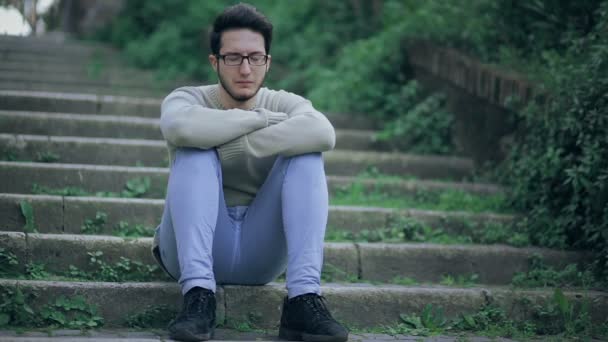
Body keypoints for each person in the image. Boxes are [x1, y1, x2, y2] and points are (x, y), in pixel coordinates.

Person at [151, 3, 349, 342]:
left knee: (306, 156)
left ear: (267, 62)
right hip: (191, 250)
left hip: (262, 252)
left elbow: (322, 132)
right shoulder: (188, 98)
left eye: (255, 58)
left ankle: (303, 298)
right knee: (194, 149)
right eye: (233, 57)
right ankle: (198, 297)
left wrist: (235, 144)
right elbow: (180, 128)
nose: (245, 69)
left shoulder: (284, 102)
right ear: (215, 61)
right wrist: (255, 120)